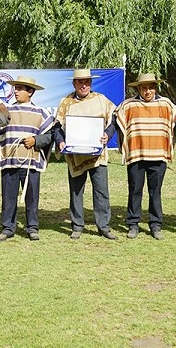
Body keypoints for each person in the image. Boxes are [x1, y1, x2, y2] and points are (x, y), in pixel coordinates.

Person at [52, 68, 118, 240]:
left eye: (87, 82)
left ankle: (103, 226)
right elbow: (57, 126)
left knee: (101, 191)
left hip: (97, 156)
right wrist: (60, 141)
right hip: (75, 156)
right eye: (80, 82)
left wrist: (107, 134)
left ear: (91, 83)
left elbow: (114, 119)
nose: (84, 85)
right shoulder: (66, 102)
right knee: (76, 192)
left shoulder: (101, 100)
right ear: (74, 83)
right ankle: (77, 225)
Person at [112, 73, 176, 240]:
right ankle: (133, 224)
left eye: (151, 87)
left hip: (158, 155)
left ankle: (156, 225)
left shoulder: (166, 105)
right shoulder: (128, 106)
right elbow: (115, 120)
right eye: (144, 88)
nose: (147, 91)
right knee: (135, 190)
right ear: (138, 88)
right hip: (136, 155)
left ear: (155, 88)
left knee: (155, 192)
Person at [0, 75, 54, 242]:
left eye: (19, 88)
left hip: (31, 162)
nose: (15, 91)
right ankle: (7, 228)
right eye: (15, 88)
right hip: (9, 160)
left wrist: (36, 140)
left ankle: (32, 227)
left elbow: (50, 136)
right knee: (8, 196)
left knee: (32, 197)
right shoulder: (6, 110)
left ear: (30, 92)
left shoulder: (41, 113)